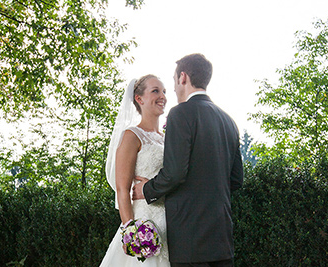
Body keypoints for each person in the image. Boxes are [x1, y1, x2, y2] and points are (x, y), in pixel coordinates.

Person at [133, 54, 244, 267]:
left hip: (190, 238)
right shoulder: (229, 121)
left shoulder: (180, 113)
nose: (173, 89)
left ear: (183, 77)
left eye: (174, 80)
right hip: (222, 239)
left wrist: (147, 189)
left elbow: (175, 173)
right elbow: (236, 179)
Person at [99, 74, 170, 267]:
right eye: (155, 91)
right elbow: (122, 189)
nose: (162, 96)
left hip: (171, 222)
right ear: (139, 99)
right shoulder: (131, 136)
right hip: (144, 223)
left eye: (164, 91)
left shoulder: (167, 138)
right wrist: (130, 231)